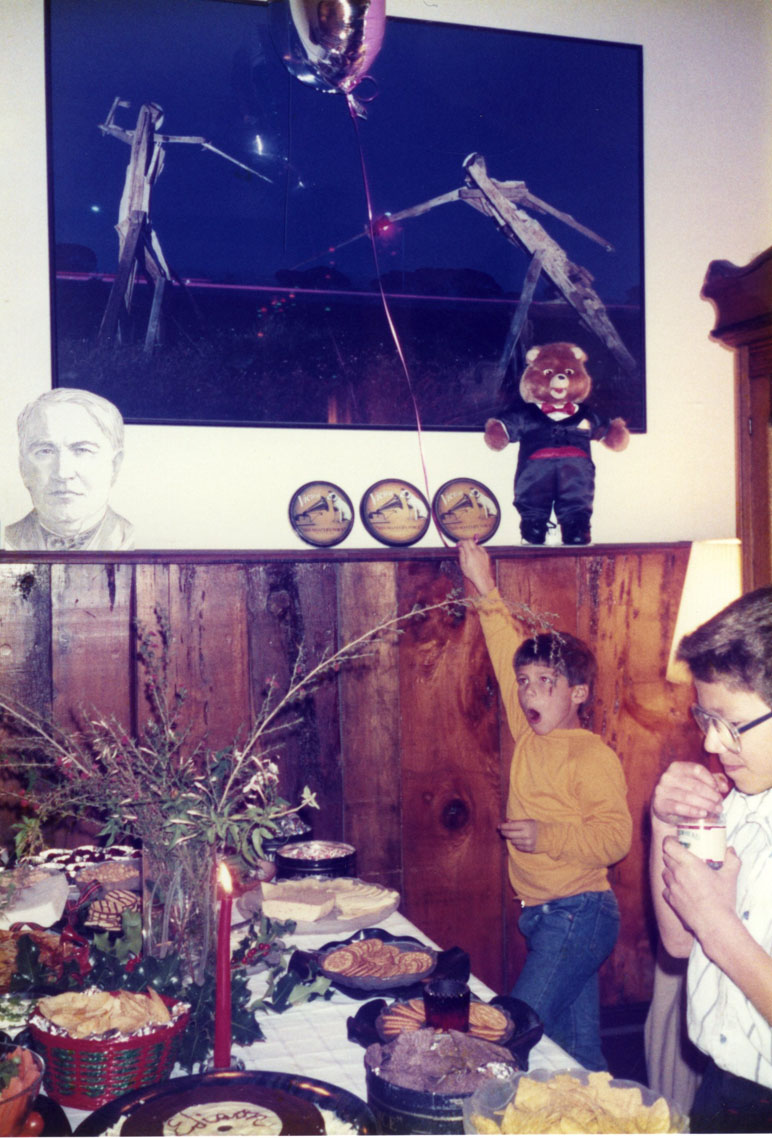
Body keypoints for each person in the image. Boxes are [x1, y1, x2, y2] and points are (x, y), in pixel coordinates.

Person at [458, 537, 632, 1070]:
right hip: (544, 915)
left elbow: (615, 839)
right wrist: (484, 584)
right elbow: (502, 643)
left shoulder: (590, 755)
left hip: (579, 913)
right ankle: (604, 1112)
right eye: (524, 683)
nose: (529, 693)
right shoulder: (530, 733)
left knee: (507, 1032)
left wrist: (545, 835)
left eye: (546, 683)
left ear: (578, 693)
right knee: (576, 1053)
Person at [649, 585, 772, 1132]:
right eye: (706, 718)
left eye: (730, 724)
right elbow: (679, 941)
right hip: (721, 1090)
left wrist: (716, 922)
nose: (711, 745)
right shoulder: (743, 801)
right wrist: (664, 820)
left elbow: (707, 927)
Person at [5, 388, 134, 551]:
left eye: (82, 450)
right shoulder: (9, 541)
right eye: (45, 451)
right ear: (23, 467)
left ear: (114, 465)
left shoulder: (128, 539)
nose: (62, 473)